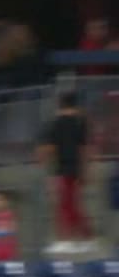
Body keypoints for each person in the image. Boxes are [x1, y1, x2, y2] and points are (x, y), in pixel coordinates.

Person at [38, 92, 97, 253]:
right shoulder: (81, 121)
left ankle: (70, 240)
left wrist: (44, 163)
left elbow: (49, 148)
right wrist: (86, 171)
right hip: (77, 168)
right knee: (72, 205)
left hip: (62, 168)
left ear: (60, 105)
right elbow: (85, 149)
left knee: (65, 206)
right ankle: (84, 238)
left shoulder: (55, 123)